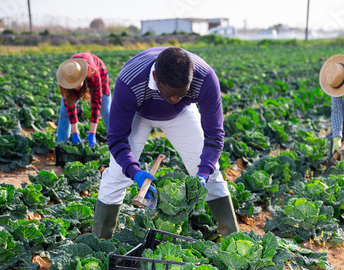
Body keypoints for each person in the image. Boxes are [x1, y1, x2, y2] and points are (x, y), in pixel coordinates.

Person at [92, 46, 239, 239]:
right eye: (169, 93)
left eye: (182, 93)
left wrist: (204, 172)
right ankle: (100, 241)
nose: (175, 98)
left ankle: (231, 238)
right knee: (117, 176)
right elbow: (116, 138)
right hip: (139, 112)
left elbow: (214, 136)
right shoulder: (130, 80)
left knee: (211, 174)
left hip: (181, 114)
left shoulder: (205, 78)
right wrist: (133, 171)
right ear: (155, 76)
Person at [56, 52, 111, 147]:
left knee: (106, 111)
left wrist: (92, 134)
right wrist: (75, 133)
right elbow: (70, 106)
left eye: (77, 83)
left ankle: (118, 143)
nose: (76, 87)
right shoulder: (65, 80)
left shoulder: (92, 75)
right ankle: (61, 147)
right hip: (74, 77)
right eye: (72, 85)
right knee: (64, 112)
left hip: (99, 72)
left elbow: (96, 104)